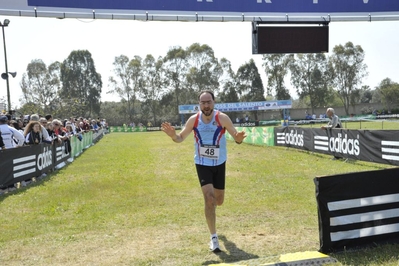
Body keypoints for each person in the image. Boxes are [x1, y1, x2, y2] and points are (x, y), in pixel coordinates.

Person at [161, 90, 247, 252]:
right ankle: (213, 238)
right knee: (209, 199)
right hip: (202, 163)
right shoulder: (194, 120)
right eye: (203, 102)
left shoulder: (222, 118)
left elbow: (236, 137)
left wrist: (239, 139)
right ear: (199, 104)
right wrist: (173, 135)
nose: (206, 105)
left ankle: (214, 218)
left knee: (218, 201)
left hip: (219, 162)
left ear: (214, 102)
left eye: (208, 102)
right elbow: (180, 138)